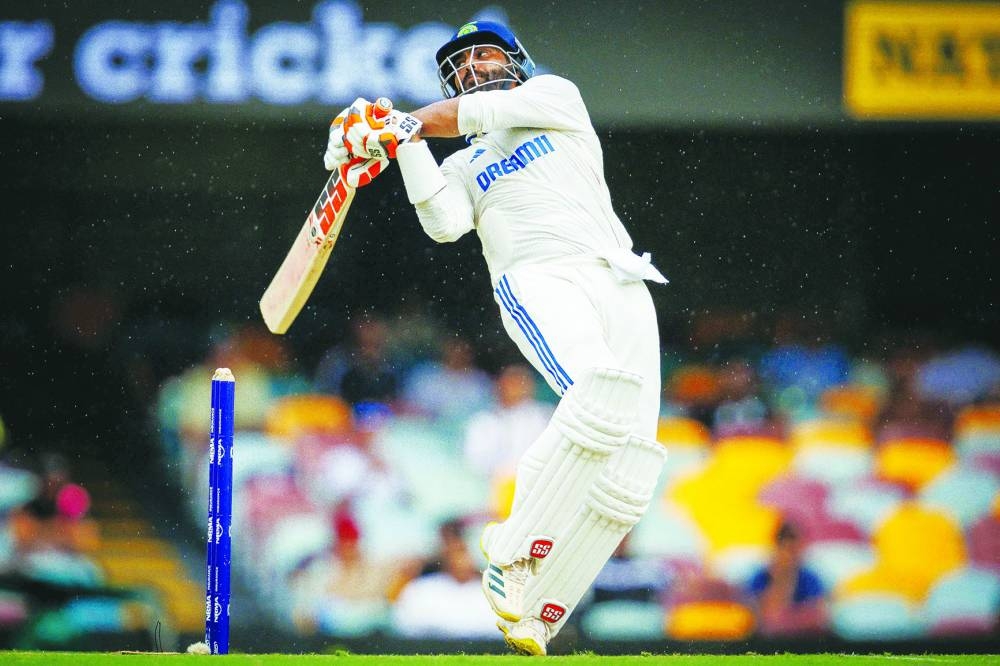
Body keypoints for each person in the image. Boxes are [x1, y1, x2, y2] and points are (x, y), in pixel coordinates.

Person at [324, 20, 669, 655]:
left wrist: (399, 125)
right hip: (537, 280)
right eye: (465, 60)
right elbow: (443, 223)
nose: (478, 65)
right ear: (452, 76)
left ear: (515, 61)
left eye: (488, 54)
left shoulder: (555, 98)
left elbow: (467, 113)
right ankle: (510, 548)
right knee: (598, 393)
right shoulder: (464, 161)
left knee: (635, 462)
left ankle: (540, 608)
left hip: (618, 276)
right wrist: (401, 147)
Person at [745, 521, 828, 637]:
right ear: (777, 547)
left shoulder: (810, 578)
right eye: (789, 549)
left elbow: (819, 618)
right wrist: (781, 579)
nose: (792, 555)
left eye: (796, 549)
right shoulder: (760, 577)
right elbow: (766, 620)